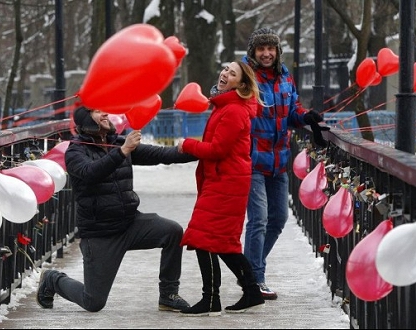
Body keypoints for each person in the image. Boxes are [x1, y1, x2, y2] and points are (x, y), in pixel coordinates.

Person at [36, 106, 197, 313]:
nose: (105, 114)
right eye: (97, 111)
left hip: (130, 223)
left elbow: (160, 154)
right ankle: (53, 279)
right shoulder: (76, 151)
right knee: (93, 302)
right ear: (86, 119)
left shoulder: (117, 142)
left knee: (172, 231)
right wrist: (122, 152)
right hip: (100, 233)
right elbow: (90, 173)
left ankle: (168, 294)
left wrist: (203, 151)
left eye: (104, 110)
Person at [242, 27, 329, 300]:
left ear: (277, 51)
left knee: (278, 218)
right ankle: (255, 277)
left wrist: (307, 118)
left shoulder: (285, 77)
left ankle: (247, 269)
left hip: (278, 161)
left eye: (271, 49)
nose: (266, 54)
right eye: (261, 49)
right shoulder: (244, 76)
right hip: (252, 159)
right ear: (253, 52)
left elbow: (292, 112)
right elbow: (218, 94)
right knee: (258, 220)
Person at [177, 61, 265, 316]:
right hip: (222, 180)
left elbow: (217, 149)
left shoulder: (234, 111)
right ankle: (251, 291)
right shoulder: (225, 107)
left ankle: (212, 298)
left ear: (242, 84)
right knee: (219, 241)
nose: (225, 74)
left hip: (227, 182)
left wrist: (188, 145)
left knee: (205, 239)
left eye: (232, 73)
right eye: (225, 69)